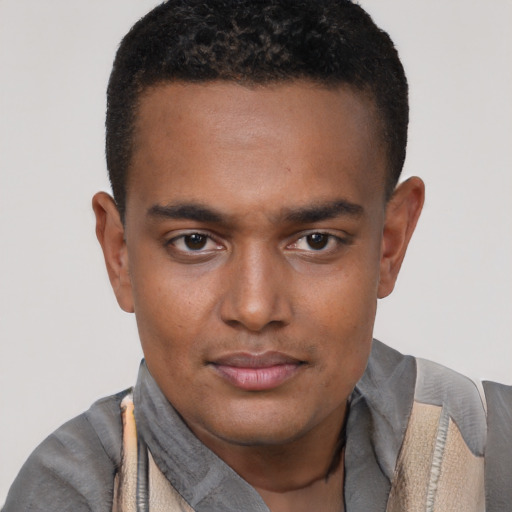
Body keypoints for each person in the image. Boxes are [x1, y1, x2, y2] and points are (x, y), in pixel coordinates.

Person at [3, 1, 511, 511]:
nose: (254, 307)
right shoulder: (76, 495)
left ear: (390, 242)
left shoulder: (494, 458)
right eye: (194, 241)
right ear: (120, 254)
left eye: (316, 241)